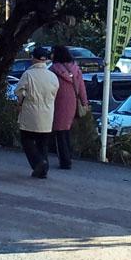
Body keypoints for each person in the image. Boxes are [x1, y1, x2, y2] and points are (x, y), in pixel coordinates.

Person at [14, 46, 60, 178]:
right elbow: (55, 93)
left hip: (30, 113)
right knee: (42, 143)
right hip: (47, 114)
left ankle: (39, 163)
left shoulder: (28, 74)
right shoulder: (52, 76)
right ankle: (43, 169)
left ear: (33, 58)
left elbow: (19, 92)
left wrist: (20, 101)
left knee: (27, 140)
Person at [50, 45, 89, 170]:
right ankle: (68, 158)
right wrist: (84, 102)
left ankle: (65, 160)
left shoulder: (53, 70)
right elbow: (82, 88)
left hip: (58, 102)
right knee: (66, 131)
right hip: (72, 102)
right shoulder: (76, 69)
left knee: (60, 132)